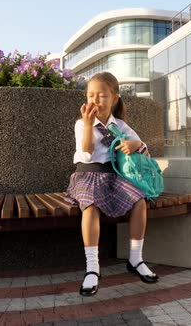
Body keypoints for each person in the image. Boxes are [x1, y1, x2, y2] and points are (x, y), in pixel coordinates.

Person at [65, 72, 158, 297]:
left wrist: (136, 144)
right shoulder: (81, 123)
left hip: (113, 177)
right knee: (90, 204)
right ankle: (92, 267)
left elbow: (144, 147)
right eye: (91, 95)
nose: (95, 100)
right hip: (87, 175)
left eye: (102, 95)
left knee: (139, 200)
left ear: (114, 98)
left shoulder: (121, 125)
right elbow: (86, 153)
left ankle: (135, 259)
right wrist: (88, 125)